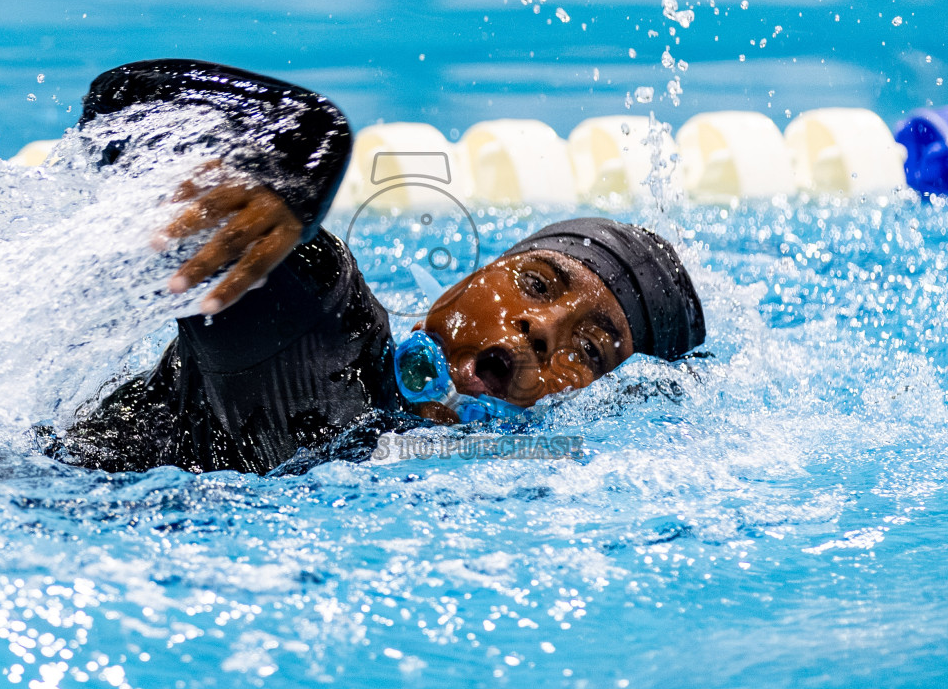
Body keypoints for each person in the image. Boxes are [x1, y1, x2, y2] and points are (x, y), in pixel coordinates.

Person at [47, 59, 707, 475]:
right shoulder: (326, 338)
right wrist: (307, 149)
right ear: (473, 278)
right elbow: (119, 108)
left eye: (591, 350)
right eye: (535, 283)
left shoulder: (513, 486)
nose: (541, 327)